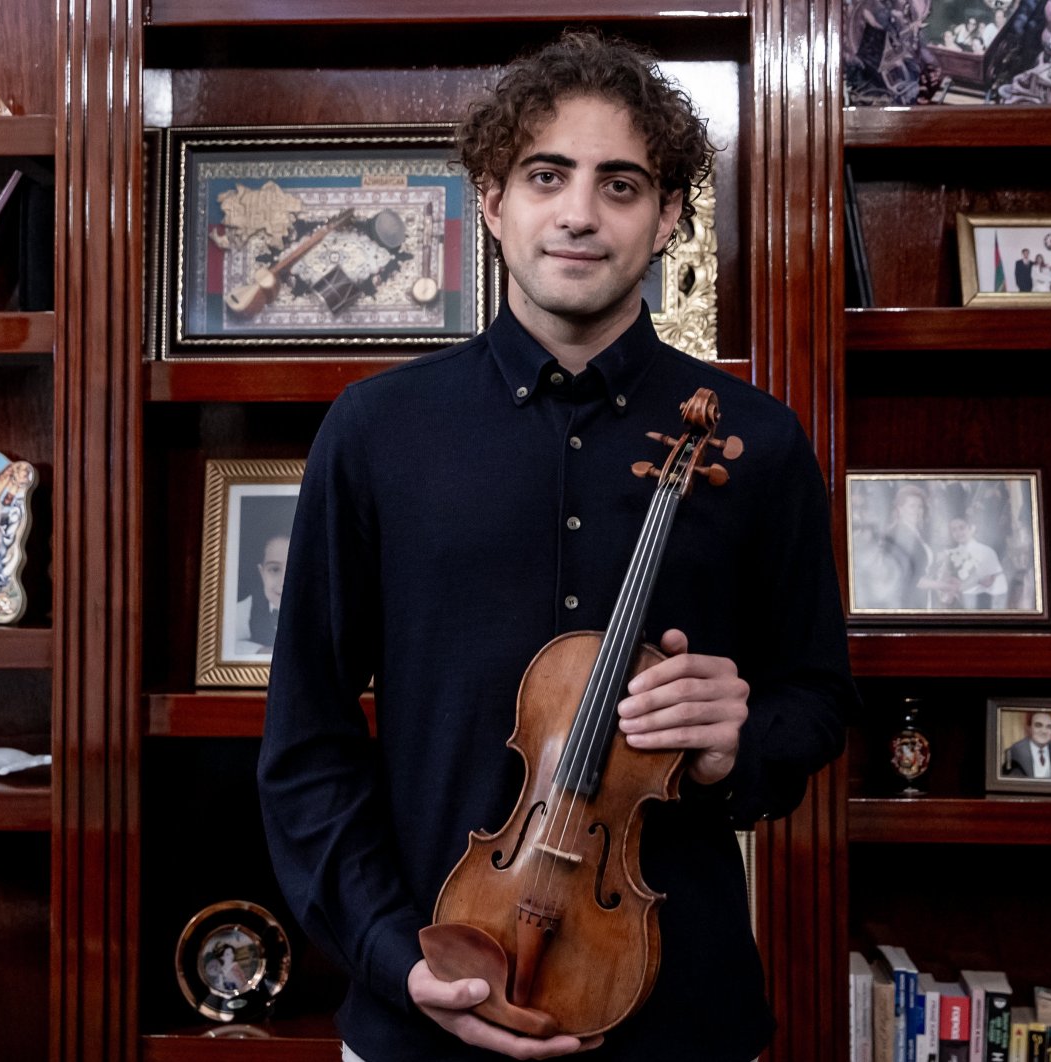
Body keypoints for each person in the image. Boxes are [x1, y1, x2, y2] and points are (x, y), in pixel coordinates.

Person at [257, 30, 856, 1062]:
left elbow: (817, 699)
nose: (579, 213)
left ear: (667, 215)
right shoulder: (375, 430)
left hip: (680, 1016)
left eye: (620, 185)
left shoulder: (756, 442)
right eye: (546, 176)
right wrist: (396, 960)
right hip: (419, 1017)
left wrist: (735, 739)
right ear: (492, 199)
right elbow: (305, 747)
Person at [234, 533, 289, 654]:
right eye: (274, 569)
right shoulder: (243, 610)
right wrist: (259, 651)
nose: (284, 582)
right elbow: (220, 645)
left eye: (295, 569)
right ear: (262, 572)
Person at [940, 517, 1008, 609]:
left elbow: (987, 581)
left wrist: (958, 587)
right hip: (963, 598)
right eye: (954, 530)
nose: (958, 533)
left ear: (972, 528)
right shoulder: (951, 554)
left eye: (962, 528)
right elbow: (946, 577)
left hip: (989, 599)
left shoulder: (986, 551)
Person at [1004, 710, 1051, 778]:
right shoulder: (1014, 751)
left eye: (1049, 727)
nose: (1044, 731)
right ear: (1029, 728)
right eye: (1038, 725)